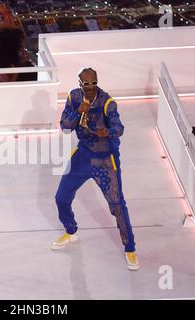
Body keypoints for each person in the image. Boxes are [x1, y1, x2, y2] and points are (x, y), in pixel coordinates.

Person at [51, 67, 139, 271]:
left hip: (105, 160)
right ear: (80, 83)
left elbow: (120, 129)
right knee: (61, 197)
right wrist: (77, 112)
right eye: (86, 84)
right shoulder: (74, 97)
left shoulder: (108, 103)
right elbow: (65, 127)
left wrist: (106, 132)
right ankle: (71, 231)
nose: (90, 88)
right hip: (83, 156)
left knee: (117, 205)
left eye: (94, 83)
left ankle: (130, 248)